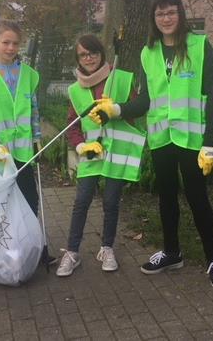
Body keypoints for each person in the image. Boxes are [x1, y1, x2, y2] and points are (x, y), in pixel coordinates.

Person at [90, 0, 213, 289]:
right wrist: (116, 109)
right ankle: (171, 252)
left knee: (197, 198)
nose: (166, 18)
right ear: (154, 18)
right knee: (166, 197)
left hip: (193, 140)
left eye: (171, 11)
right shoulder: (148, 52)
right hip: (162, 138)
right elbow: (145, 102)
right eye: (160, 13)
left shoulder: (200, 46)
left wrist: (211, 141)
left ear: (180, 13)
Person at [56, 34, 146, 277]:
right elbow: (72, 126)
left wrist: (116, 109)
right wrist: (80, 146)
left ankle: (106, 248)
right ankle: (72, 252)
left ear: (102, 53)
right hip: (91, 152)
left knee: (110, 202)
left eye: (93, 52)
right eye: (83, 54)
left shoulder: (122, 79)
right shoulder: (75, 90)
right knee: (81, 201)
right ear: (78, 59)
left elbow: (136, 111)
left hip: (116, 153)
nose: (89, 58)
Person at [0, 19, 56, 265]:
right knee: (2, 204)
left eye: (16, 43)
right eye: (5, 42)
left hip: (24, 150)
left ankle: (33, 249)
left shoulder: (28, 74)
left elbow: (33, 109)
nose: (10, 48)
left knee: (29, 200)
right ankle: (5, 253)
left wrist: (37, 138)